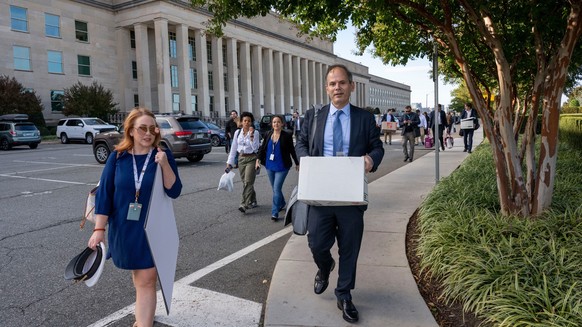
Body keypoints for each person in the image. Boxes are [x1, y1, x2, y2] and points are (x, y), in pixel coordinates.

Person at [295, 64, 384, 323]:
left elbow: (377, 147)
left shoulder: (364, 118)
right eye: (333, 84)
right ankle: (325, 266)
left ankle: (344, 293)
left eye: (342, 83)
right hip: (321, 193)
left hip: (351, 194)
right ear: (326, 88)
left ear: (351, 86)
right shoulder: (314, 116)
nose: (337, 87)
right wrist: (305, 161)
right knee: (317, 244)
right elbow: (301, 142)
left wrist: (371, 159)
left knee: (349, 248)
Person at [88, 107, 182, 327]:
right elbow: (105, 195)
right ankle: (143, 316)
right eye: (142, 128)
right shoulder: (117, 158)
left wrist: (165, 165)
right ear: (130, 130)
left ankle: (144, 322)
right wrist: (99, 230)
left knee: (147, 280)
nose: (148, 133)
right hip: (124, 227)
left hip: (151, 228)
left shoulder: (162, 155)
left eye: (152, 128)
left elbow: (174, 190)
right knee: (139, 278)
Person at [256, 115, 299, 221]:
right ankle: (282, 202)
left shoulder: (286, 135)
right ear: (272, 124)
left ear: (282, 124)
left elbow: (292, 150)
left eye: (278, 122)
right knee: (276, 189)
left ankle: (275, 212)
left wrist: (297, 163)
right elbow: (262, 148)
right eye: (274, 122)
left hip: (282, 166)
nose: (276, 124)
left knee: (276, 188)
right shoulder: (267, 134)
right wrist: (258, 160)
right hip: (269, 165)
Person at [226, 111, 260, 213]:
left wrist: (251, 137)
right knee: (245, 182)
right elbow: (233, 148)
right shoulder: (237, 133)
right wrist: (229, 162)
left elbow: (255, 148)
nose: (247, 123)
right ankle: (253, 199)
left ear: (251, 122)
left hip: (251, 159)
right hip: (241, 159)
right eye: (245, 121)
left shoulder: (255, 133)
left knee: (248, 182)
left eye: (249, 121)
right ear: (241, 122)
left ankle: (244, 204)